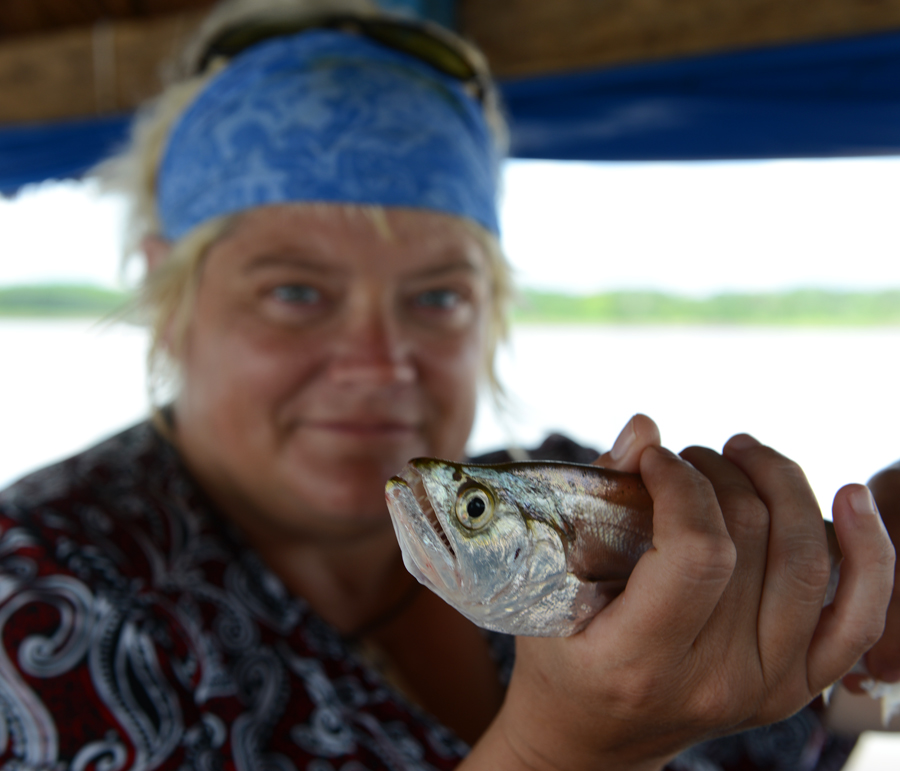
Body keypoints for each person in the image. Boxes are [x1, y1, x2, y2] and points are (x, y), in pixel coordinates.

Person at [0, 0, 895, 768]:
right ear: (170, 297)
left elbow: (806, 726)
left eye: (437, 295)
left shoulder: (566, 494)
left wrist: (861, 640)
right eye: (295, 292)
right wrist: (567, 750)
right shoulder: (35, 596)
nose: (380, 360)